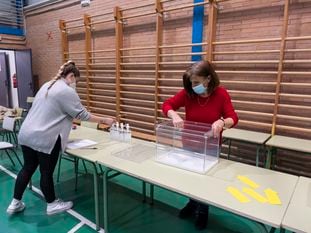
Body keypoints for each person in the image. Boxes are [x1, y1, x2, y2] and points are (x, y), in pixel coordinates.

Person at [7, 61, 115, 215]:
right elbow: (82, 114)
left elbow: (51, 111)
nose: (74, 85)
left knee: (28, 168)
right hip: (44, 137)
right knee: (46, 172)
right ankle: (52, 204)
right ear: (71, 76)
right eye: (75, 81)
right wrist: (105, 120)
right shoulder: (66, 90)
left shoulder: (48, 85)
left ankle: (15, 203)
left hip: (26, 133)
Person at [162, 60, 238, 230]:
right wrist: (174, 115)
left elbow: (233, 117)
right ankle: (192, 203)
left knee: (205, 180)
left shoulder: (221, 94)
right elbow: (167, 104)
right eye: (191, 82)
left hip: (209, 145)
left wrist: (222, 123)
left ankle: (203, 210)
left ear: (208, 79)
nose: (193, 85)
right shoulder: (189, 93)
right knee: (190, 177)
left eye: (196, 82)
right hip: (189, 143)